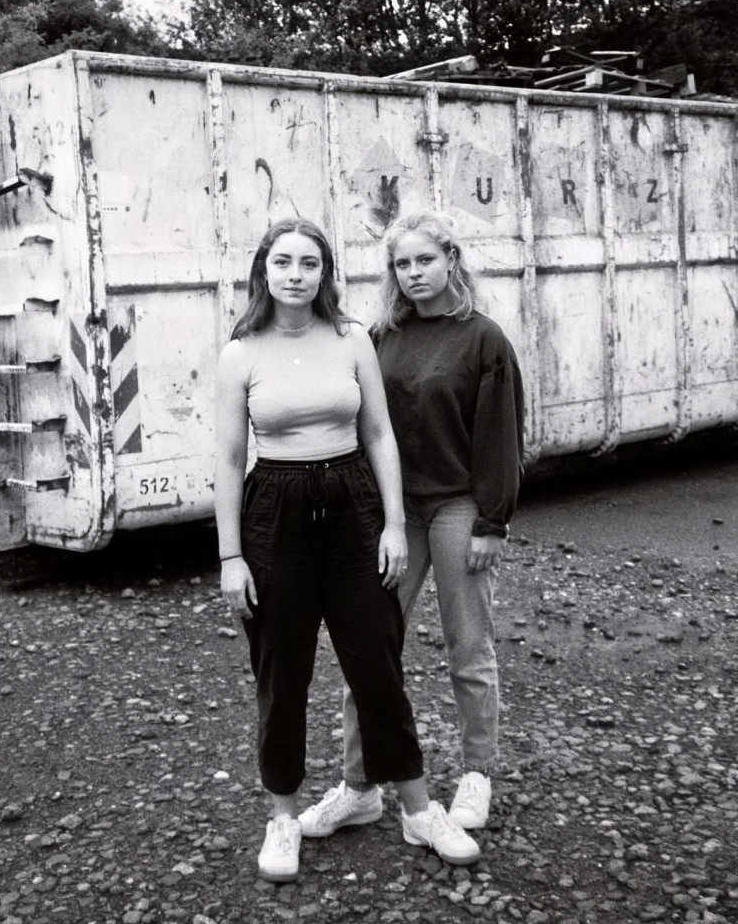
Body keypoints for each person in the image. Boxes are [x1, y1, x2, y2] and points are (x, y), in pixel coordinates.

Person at [215, 217, 480, 883]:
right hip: (273, 514)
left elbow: (380, 434)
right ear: (263, 271)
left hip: (353, 507)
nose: (296, 275)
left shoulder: (352, 337)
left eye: (310, 263)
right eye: (283, 262)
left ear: (325, 274)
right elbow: (228, 460)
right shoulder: (240, 352)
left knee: (376, 664)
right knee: (282, 673)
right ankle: (283, 817)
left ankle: (418, 809)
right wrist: (230, 557)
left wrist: (392, 524)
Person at [299, 211, 524, 841]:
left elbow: (501, 436)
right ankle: (360, 786)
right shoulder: (382, 337)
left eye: (425, 260)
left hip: (457, 507)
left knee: (468, 647)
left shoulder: (483, 339)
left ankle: (476, 773)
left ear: (452, 259)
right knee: (368, 649)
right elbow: (361, 425)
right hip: (394, 513)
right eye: (402, 264)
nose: (414, 273)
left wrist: (492, 522)